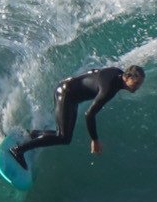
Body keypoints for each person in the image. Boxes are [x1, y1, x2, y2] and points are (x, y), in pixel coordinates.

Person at [11, 64, 146, 168]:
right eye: (137, 83)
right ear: (128, 77)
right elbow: (89, 115)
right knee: (62, 137)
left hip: (71, 95)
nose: (138, 87)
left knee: (65, 136)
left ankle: (34, 134)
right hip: (66, 94)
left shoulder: (117, 72)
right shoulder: (109, 89)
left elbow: (95, 73)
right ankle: (18, 150)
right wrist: (95, 140)